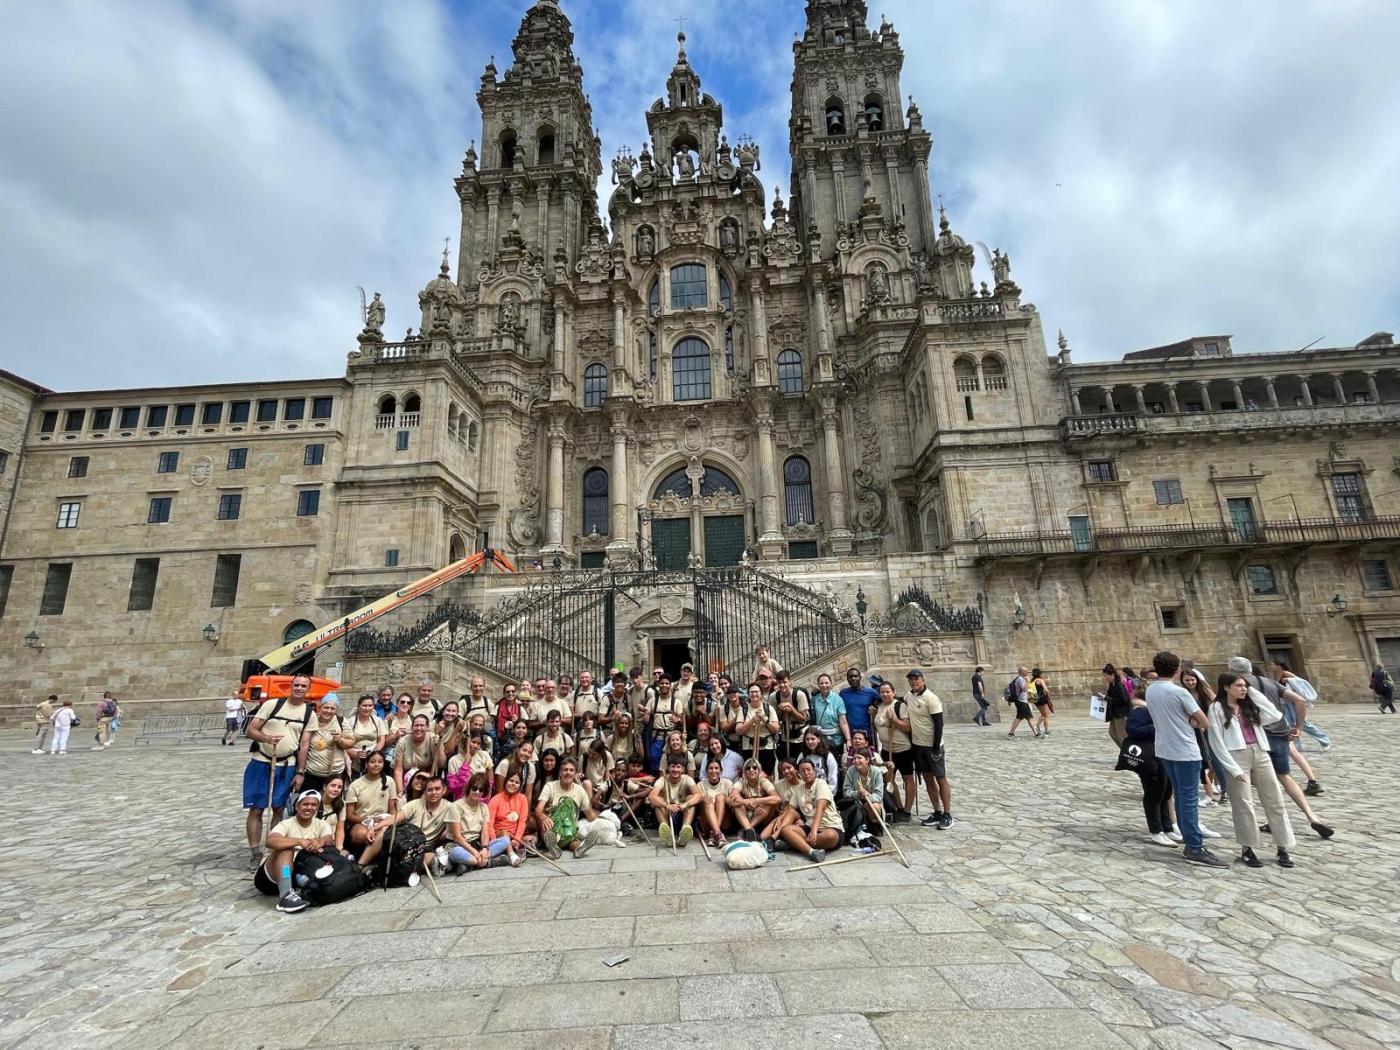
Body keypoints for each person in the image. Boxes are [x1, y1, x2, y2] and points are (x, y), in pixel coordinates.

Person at [1227, 657, 1334, 839]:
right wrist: (1299, 727)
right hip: (1280, 734)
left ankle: (1276, 820)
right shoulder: (1269, 682)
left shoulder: (1239, 686)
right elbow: (1300, 700)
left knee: (1264, 782)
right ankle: (1311, 815)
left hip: (1259, 738)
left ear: (1233, 671)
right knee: (1284, 776)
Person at [1145, 651, 1226, 867]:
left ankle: (1189, 839)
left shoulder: (1151, 690)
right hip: (1185, 750)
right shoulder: (1179, 692)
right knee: (1188, 799)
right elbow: (1204, 721)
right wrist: (1191, 722)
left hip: (1164, 749)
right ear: (1177, 669)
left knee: (1180, 796)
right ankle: (1194, 847)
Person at [1208, 673, 1297, 868]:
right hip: (1236, 755)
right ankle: (1248, 848)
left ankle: (1283, 847)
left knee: (1274, 800)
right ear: (1225, 687)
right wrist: (1231, 767)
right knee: (1243, 804)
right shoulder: (1216, 708)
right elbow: (1216, 740)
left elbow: (1274, 714)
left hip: (1260, 752)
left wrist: (1253, 692)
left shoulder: (1250, 705)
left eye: (1244, 686)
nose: (1243, 688)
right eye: (1238, 685)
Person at [242, 673, 315, 867]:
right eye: (296, 685)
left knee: (279, 808)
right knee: (256, 809)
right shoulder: (272, 705)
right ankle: (255, 851)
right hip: (262, 761)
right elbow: (251, 730)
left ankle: (273, 848)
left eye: (303, 686)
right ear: (291, 686)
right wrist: (266, 739)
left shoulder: (309, 714)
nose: (299, 688)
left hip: (287, 765)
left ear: (308, 689)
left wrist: (300, 772)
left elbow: (305, 744)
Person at [255, 789, 332, 913]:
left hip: (298, 875)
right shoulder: (286, 824)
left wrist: (320, 841)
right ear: (297, 806)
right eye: (305, 804)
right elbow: (271, 840)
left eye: (313, 805)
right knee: (286, 850)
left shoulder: (322, 824)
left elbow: (329, 839)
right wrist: (299, 841)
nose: (309, 808)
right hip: (273, 876)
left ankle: (297, 891)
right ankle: (285, 895)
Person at [1115, 688, 1176, 846]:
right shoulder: (1141, 711)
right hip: (1149, 757)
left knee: (1165, 790)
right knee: (1154, 792)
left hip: (1162, 753)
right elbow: (1132, 730)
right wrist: (1157, 728)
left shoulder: (1155, 711)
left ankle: (1167, 826)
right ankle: (1156, 830)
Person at [905, 670, 954, 829]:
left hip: (932, 745)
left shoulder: (931, 698)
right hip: (918, 745)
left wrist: (935, 747)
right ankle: (937, 811)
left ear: (922, 680)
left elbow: (939, 723)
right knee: (927, 778)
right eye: (911, 680)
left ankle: (947, 814)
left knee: (940, 778)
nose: (914, 682)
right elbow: (899, 700)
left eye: (916, 679)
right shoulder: (909, 696)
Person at [535, 756, 601, 858]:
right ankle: (553, 847)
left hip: (569, 829)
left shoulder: (579, 790)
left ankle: (580, 849)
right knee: (547, 829)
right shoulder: (550, 786)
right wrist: (543, 817)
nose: (568, 773)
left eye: (571, 770)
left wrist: (604, 823)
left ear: (575, 774)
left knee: (573, 840)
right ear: (560, 772)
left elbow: (590, 814)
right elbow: (538, 809)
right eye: (565, 770)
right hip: (551, 828)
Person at [781, 757, 843, 862]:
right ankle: (811, 852)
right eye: (802, 770)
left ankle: (795, 843)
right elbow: (790, 809)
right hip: (808, 826)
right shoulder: (799, 789)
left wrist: (814, 831)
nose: (806, 773)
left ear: (814, 771)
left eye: (808, 769)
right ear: (799, 773)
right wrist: (780, 818)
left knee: (831, 836)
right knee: (786, 830)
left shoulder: (821, 784)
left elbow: (821, 808)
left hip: (829, 826)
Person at [454, 774, 520, 870]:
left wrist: (484, 848)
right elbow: (457, 837)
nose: (477, 792)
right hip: (461, 845)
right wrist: (475, 853)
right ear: (469, 788)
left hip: (477, 845)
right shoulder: (456, 806)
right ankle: (487, 862)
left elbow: (485, 833)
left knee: (505, 840)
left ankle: (469, 864)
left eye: (481, 790)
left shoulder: (484, 807)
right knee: (456, 852)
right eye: (474, 788)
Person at [873, 680, 914, 822]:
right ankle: (899, 806)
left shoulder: (900, 706)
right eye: (882, 692)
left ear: (893, 692)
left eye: (887, 691)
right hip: (886, 749)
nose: (884, 694)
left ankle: (907, 811)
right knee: (888, 779)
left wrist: (894, 719)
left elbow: (907, 727)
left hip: (902, 749)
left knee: (907, 778)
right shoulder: (878, 707)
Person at [1268, 660, 1331, 751]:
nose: (1270, 667)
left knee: (1303, 724)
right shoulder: (1275, 676)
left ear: (1278, 666)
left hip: (1294, 703)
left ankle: (1325, 741)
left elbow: (1301, 682)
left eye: (1271, 665)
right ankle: (1296, 746)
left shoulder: (1285, 674)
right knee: (1289, 725)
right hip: (1285, 703)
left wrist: (1289, 680)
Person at [297, 696, 354, 794]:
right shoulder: (311, 720)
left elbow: (351, 742)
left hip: (334, 774)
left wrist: (340, 740)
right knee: (310, 803)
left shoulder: (341, 721)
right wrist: (300, 771)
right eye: (326, 707)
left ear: (336, 710)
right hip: (312, 773)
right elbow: (303, 745)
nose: (329, 711)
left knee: (331, 804)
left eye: (332, 708)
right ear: (320, 707)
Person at [345, 751, 398, 855]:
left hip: (383, 821)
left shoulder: (389, 781)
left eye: (380, 762)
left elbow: (392, 810)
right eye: (372, 762)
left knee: (386, 834)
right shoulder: (356, 785)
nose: (376, 764)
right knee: (363, 835)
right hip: (361, 822)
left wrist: (390, 820)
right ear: (366, 764)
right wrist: (369, 819)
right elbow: (350, 815)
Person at [649, 756, 702, 847]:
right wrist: (666, 805)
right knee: (658, 800)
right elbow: (651, 797)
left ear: (683, 769)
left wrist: (684, 805)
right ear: (668, 768)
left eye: (678, 767)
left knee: (690, 798)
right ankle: (667, 832)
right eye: (672, 766)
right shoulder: (662, 780)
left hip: (682, 813)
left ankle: (685, 829)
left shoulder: (687, 779)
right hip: (667, 813)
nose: (675, 769)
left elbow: (698, 795)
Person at [487, 768, 535, 858]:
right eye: (511, 780)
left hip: (515, 836)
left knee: (532, 839)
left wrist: (516, 839)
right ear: (506, 781)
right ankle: (512, 855)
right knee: (505, 833)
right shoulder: (495, 799)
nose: (513, 784)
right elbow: (489, 824)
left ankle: (514, 848)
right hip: (499, 836)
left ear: (520, 786)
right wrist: (494, 841)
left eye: (517, 782)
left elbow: (522, 822)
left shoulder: (522, 799)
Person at [729, 758, 780, 841]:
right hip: (745, 815)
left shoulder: (764, 781)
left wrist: (756, 801)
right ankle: (749, 830)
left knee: (769, 803)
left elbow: (777, 798)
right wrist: (747, 802)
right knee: (737, 804)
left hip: (760, 816)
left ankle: (747, 830)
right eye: (748, 768)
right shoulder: (742, 782)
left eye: (754, 767)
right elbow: (732, 799)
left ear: (759, 770)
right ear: (744, 771)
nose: (751, 770)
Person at [841, 749, 886, 841]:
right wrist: (857, 793)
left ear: (867, 760)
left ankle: (875, 826)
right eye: (854, 758)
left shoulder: (876, 772)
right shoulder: (851, 771)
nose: (856, 761)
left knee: (874, 806)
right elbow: (846, 792)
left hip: (871, 802)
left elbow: (878, 795)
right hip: (856, 803)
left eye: (859, 758)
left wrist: (867, 795)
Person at [736, 684, 780, 774]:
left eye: (756, 691)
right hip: (748, 747)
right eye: (752, 692)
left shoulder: (768, 708)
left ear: (761, 693)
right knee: (751, 774)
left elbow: (776, 729)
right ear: (748, 694)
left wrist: (765, 720)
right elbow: (738, 731)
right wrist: (752, 721)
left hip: (767, 747)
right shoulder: (743, 709)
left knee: (767, 775)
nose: (754, 694)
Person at [810, 674, 850, 764]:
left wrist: (848, 739)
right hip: (820, 738)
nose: (824, 685)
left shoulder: (838, 700)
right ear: (818, 685)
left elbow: (843, 721)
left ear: (831, 684)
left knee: (835, 763)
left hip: (836, 739)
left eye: (826, 683)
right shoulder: (814, 700)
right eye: (821, 683)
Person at [394, 714, 441, 791]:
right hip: (406, 776)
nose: (418, 728)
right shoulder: (403, 741)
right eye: (416, 725)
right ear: (412, 727)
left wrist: (439, 745)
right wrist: (400, 792)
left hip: (424, 776)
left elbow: (440, 764)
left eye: (422, 725)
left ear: (427, 727)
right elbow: (398, 770)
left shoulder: (432, 738)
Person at [770, 670, 810, 761]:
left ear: (789, 682)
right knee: (785, 762)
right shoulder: (773, 697)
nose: (782, 685)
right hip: (785, 735)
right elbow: (775, 719)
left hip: (801, 736)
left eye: (784, 682)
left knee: (800, 762)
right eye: (779, 683)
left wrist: (790, 707)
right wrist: (781, 711)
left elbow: (803, 719)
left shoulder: (799, 695)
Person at [839, 668, 880, 755]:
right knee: (852, 759)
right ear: (847, 679)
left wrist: (874, 709)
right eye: (850, 677)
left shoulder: (871, 693)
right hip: (851, 735)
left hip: (868, 735)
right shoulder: (843, 694)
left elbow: (881, 704)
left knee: (869, 759)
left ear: (860, 677)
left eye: (855, 676)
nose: (853, 678)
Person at [346, 694, 386, 776]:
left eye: (370, 705)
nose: (367, 708)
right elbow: (345, 743)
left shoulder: (378, 721)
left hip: (373, 759)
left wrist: (372, 754)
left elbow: (382, 740)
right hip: (354, 759)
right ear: (358, 706)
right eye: (364, 705)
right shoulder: (350, 722)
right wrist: (355, 754)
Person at [696, 756, 732, 847]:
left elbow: (732, 801)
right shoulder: (700, 785)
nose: (713, 771)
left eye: (716, 768)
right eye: (710, 768)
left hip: (725, 822)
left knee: (720, 797)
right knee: (708, 800)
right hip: (706, 823)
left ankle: (715, 832)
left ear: (721, 770)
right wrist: (702, 798)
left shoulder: (728, 783)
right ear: (707, 771)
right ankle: (718, 834)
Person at [796, 726, 839, 793]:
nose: (810, 742)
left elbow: (833, 779)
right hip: (806, 792)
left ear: (818, 739)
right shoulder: (802, 755)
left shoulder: (827, 756)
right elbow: (798, 775)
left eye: (813, 739)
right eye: (807, 739)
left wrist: (828, 794)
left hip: (824, 791)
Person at [317, 773, 351, 855]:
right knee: (286, 867)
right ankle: (286, 869)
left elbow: (340, 829)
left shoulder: (341, 804)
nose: (336, 789)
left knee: (346, 857)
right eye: (333, 785)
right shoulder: (314, 801)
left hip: (330, 845)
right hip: (315, 842)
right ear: (325, 787)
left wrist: (339, 848)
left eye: (339, 787)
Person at [1102, 664, 1131, 746]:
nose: (1105, 678)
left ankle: (1127, 752)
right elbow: (1110, 697)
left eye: (1106, 676)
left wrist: (1107, 698)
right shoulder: (1112, 685)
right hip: (1114, 713)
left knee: (1122, 735)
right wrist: (1105, 697)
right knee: (1112, 733)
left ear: (1112, 675)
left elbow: (1124, 700)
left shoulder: (1119, 686)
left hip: (1121, 713)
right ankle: (1124, 750)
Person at [1006, 666, 1038, 738]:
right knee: (1020, 718)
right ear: (1022, 672)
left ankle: (1036, 733)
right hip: (1021, 701)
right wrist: (1027, 681)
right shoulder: (1020, 679)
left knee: (1028, 717)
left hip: (1023, 701)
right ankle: (1011, 733)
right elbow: (1024, 689)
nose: (1027, 672)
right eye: (1026, 671)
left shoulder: (1021, 679)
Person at [1029, 668, 1053, 738]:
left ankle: (1037, 726)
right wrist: (1047, 695)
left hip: (1035, 700)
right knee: (1046, 715)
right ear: (1039, 674)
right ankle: (1046, 732)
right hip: (1042, 699)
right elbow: (1046, 690)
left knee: (1044, 714)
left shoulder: (1031, 681)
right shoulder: (1040, 680)